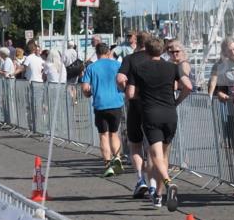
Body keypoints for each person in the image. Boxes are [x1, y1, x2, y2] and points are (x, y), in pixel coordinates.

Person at [126, 37, 192, 210]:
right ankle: (158, 195)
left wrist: (142, 94)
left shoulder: (138, 68)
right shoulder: (172, 67)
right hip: (170, 113)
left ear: (146, 51)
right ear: (162, 51)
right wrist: (177, 101)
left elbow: (130, 94)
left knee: (155, 155)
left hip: (151, 113)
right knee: (164, 155)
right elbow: (188, 86)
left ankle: (169, 183)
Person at [209, 37, 234, 197]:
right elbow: (219, 89)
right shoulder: (223, 68)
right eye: (230, 50)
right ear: (225, 52)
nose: (233, 52)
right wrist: (221, 94)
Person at [117, 31, 152, 199]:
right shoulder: (156, 58)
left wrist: (126, 89)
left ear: (136, 42)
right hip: (154, 104)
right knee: (152, 146)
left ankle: (140, 179)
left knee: (135, 145)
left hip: (135, 104)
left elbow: (120, 79)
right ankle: (154, 184)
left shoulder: (129, 59)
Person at [81, 43, 125, 177]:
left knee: (103, 135)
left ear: (97, 53)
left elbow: (85, 88)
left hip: (100, 104)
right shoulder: (117, 65)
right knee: (114, 133)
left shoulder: (91, 67)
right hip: (116, 103)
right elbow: (123, 82)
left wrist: (89, 93)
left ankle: (108, 164)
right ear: (108, 52)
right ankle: (117, 157)